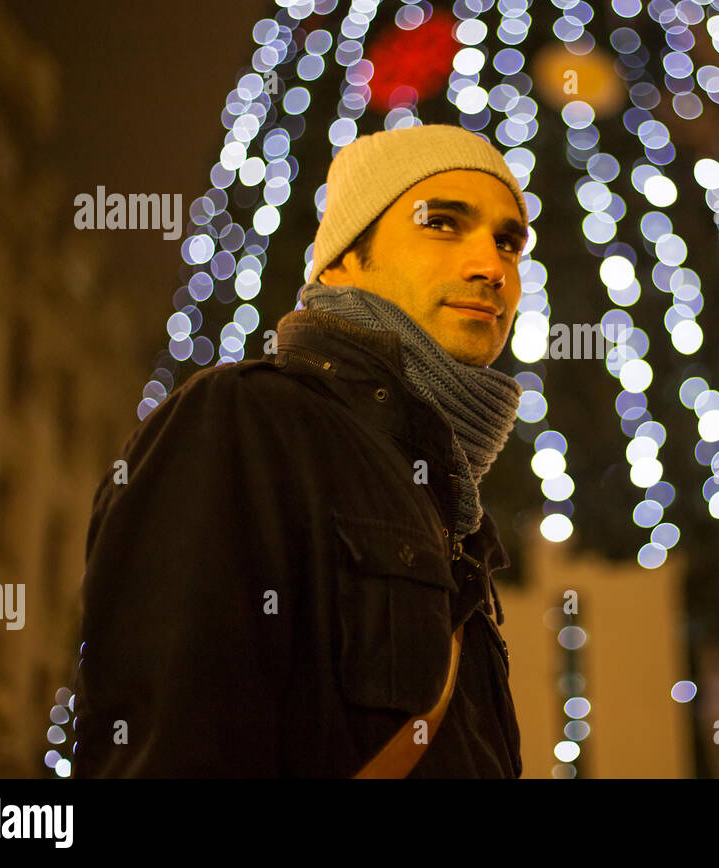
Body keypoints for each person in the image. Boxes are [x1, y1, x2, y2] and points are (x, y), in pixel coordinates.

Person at [74, 124, 527, 777]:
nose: (493, 266)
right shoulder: (244, 421)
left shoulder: (457, 519)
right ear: (343, 258)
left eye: (509, 242)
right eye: (444, 224)